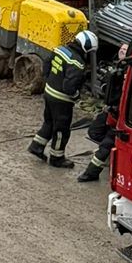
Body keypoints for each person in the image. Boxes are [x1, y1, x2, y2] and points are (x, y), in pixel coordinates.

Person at [29, 27, 95, 167]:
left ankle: (36, 146)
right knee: (61, 129)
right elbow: (69, 86)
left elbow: (46, 64)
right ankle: (56, 157)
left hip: (49, 93)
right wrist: (76, 95)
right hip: (62, 100)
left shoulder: (60, 49)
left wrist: (49, 79)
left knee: (49, 122)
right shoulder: (78, 63)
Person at [79, 46, 132, 183]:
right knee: (94, 131)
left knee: (106, 143)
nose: (122, 50)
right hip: (110, 111)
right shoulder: (117, 69)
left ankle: (91, 173)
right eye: (121, 48)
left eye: (125, 49)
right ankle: (112, 152)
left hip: (122, 116)